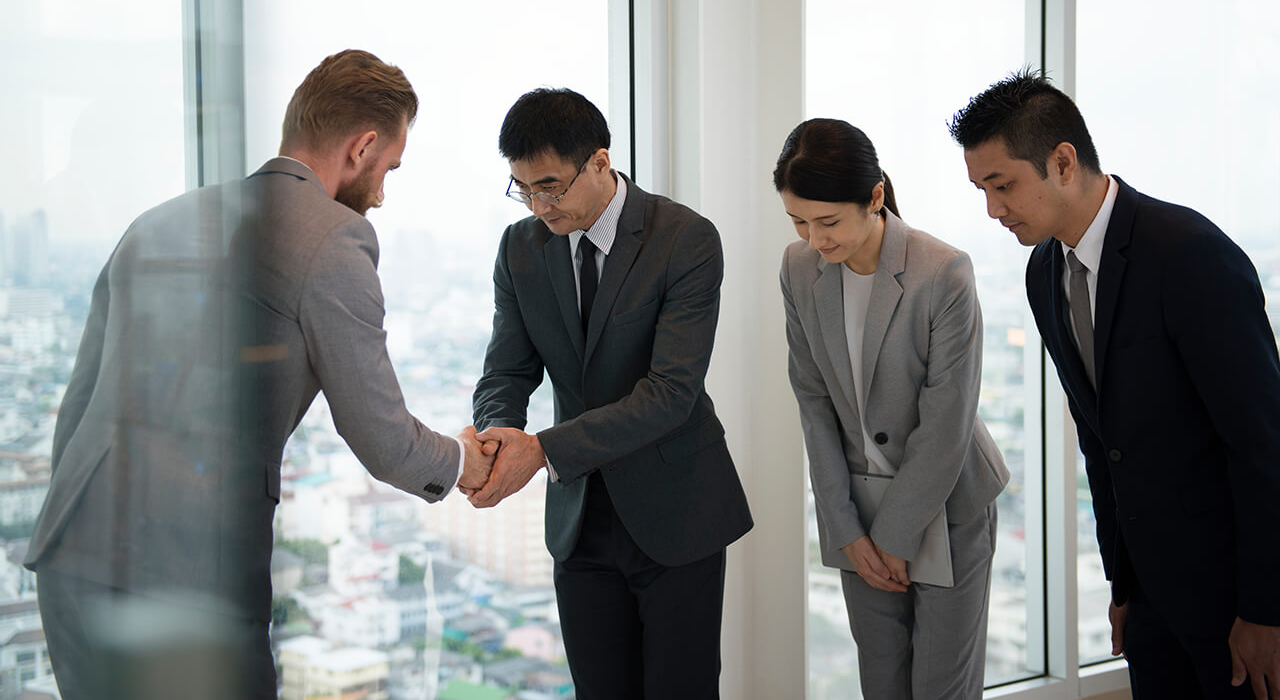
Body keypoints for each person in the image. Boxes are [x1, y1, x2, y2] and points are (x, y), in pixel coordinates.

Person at [24, 49, 496, 700]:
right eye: (388, 168)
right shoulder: (335, 239)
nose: (383, 192)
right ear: (360, 148)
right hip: (192, 579)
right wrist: (468, 462)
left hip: (72, 558)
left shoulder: (160, 222)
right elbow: (382, 438)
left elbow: (79, 408)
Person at [951, 69, 1280, 699]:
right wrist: (1123, 586)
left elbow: (1262, 443)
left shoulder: (1187, 254)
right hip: (1149, 597)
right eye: (981, 190)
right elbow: (1102, 444)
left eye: (1002, 185)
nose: (993, 210)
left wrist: (1266, 608)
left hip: (1234, 593)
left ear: (1064, 162)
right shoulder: (1043, 271)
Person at [466, 88, 753, 699]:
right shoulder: (520, 249)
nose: (539, 206)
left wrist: (540, 449)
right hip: (581, 519)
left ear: (600, 162)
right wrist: (495, 435)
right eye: (523, 188)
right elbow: (506, 372)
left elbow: (671, 393)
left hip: (675, 509)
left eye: (551, 187)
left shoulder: (686, 239)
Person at [775, 118, 1009, 699]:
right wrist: (846, 527)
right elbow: (813, 402)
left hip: (949, 502)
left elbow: (947, 422)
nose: (814, 240)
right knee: (882, 684)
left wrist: (894, 537)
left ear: (875, 197)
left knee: (940, 689)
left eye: (827, 221)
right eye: (799, 221)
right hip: (858, 510)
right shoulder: (798, 269)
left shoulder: (943, 271)